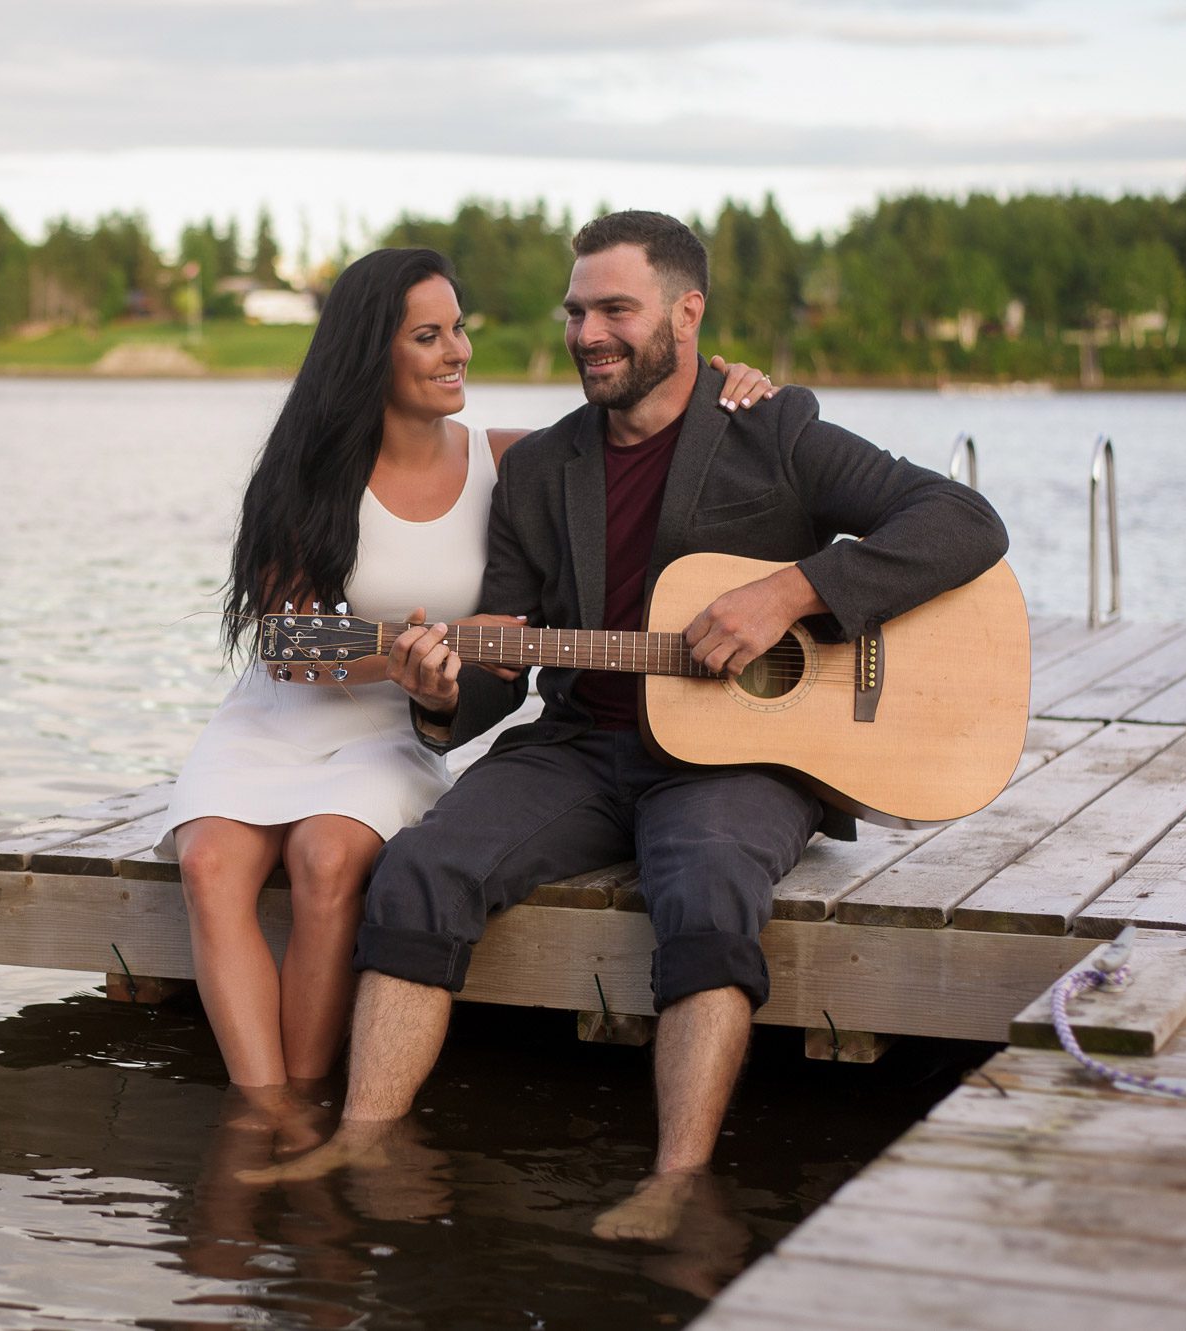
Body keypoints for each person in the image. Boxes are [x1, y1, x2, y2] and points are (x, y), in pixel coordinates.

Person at [243, 211, 1008, 1235]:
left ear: (686, 314)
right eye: (575, 310)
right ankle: (364, 1132)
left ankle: (675, 1177)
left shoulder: (772, 432)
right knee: (423, 867)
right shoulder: (541, 470)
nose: (588, 332)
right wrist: (437, 690)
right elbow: (500, 669)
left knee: (702, 888)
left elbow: (963, 521)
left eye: (615, 308)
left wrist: (789, 593)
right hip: (578, 747)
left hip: (735, 763)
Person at [163, 247, 775, 1121]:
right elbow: (284, 641)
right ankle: (266, 1117)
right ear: (370, 352)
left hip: (398, 727)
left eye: (459, 330)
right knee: (211, 858)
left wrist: (730, 386)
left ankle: (306, 1097)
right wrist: (412, 652)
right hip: (280, 712)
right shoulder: (307, 470)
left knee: (327, 857)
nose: (457, 352)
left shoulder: (509, 461)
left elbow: (642, 421)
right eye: (429, 335)